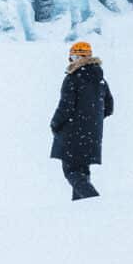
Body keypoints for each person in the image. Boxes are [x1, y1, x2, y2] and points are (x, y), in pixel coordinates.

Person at [49, 39, 115, 199]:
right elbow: (109, 106)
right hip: (92, 135)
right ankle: (81, 210)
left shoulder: (73, 78)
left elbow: (66, 106)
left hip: (73, 133)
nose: (70, 60)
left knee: (71, 171)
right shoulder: (100, 80)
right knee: (82, 172)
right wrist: (92, 121)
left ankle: (94, 201)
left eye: (72, 57)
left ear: (76, 58)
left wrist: (55, 123)